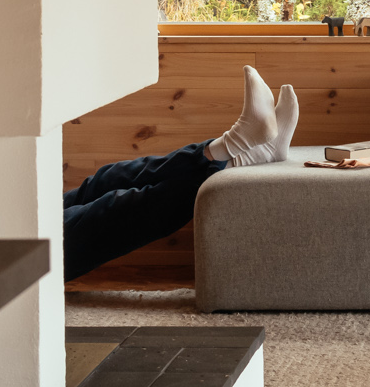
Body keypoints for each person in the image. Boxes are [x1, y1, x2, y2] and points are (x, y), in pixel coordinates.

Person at [63, 66, 298, 282]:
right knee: (114, 208)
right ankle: (233, 149)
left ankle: (239, 150)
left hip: (29, 219)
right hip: (30, 245)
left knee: (109, 177)